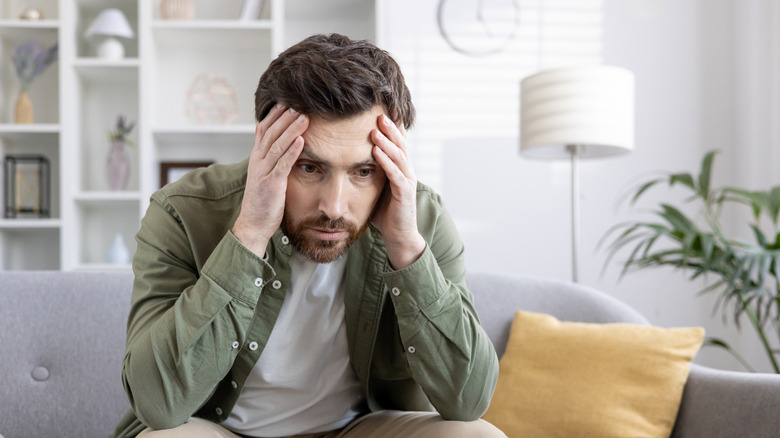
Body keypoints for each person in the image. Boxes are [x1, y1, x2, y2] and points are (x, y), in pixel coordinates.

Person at [110, 33, 504, 438]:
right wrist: (248, 234)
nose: (334, 207)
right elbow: (157, 402)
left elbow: (468, 401)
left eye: (363, 172)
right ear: (267, 144)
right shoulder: (183, 210)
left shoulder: (421, 218)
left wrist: (406, 247)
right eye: (310, 168)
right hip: (217, 430)